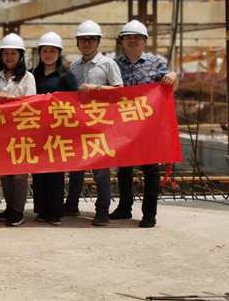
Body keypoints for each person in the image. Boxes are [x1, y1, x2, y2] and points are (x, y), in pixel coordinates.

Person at [112, 20, 178, 228]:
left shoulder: (156, 64)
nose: (132, 41)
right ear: (122, 41)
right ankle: (124, 207)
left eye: (136, 38)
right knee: (124, 169)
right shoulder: (114, 65)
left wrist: (173, 75)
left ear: (144, 41)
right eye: (128, 38)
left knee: (151, 170)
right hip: (123, 125)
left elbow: (171, 86)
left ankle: (149, 213)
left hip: (149, 127)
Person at [64, 20, 124, 226]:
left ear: (98, 41)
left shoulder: (108, 64)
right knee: (76, 167)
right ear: (77, 42)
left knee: (101, 171)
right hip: (79, 124)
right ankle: (71, 204)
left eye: (91, 39)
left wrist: (96, 88)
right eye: (83, 39)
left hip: (101, 125)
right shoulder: (74, 66)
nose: (87, 43)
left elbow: (119, 91)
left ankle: (102, 210)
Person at [29, 32, 79, 225]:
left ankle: (56, 212)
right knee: (39, 171)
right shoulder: (32, 75)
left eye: (52, 51)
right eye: (45, 51)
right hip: (37, 130)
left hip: (59, 131)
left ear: (59, 53)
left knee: (56, 172)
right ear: (39, 53)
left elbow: (75, 104)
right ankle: (41, 210)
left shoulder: (67, 77)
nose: (48, 55)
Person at [0, 34, 36, 227]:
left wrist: (10, 100)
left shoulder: (28, 78)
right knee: (4, 172)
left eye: (13, 53)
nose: (9, 57)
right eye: (6, 53)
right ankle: (9, 207)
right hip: (1, 131)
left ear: (21, 56)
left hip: (21, 131)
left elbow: (32, 103)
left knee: (20, 174)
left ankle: (18, 211)